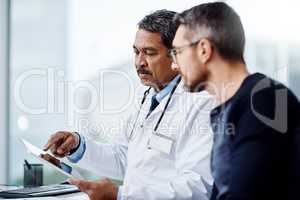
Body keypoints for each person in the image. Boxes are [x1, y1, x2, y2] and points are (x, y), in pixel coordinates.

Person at [44, 10, 214, 200]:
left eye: (149, 53)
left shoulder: (201, 104)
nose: (139, 62)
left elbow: (198, 188)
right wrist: (77, 146)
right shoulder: (149, 96)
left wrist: (121, 195)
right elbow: (124, 158)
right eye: (136, 52)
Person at [171, 2, 300, 200]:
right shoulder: (226, 111)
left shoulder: (266, 100)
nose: (174, 65)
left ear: (204, 49)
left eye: (177, 52)